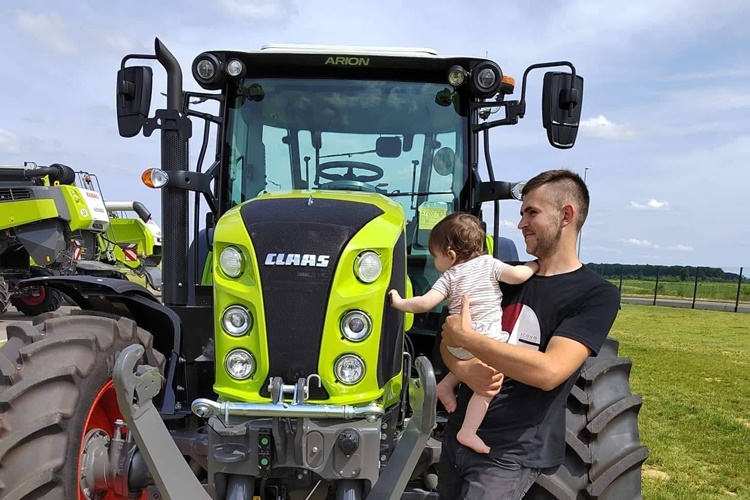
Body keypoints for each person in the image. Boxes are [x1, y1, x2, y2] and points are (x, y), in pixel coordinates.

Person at [436, 169, 621, 500]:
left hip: (507, 456)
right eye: (521, 213)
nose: (520, 224)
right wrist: (462, 369)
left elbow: (549, 371)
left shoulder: (595, 294)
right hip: (456, 439)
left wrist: (468, 340)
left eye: (531, 212)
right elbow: (448, 339)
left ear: (566, 215)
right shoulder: (503, 276)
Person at [388, 212, 538, 454]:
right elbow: (518, 276)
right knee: (488, 385)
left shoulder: (449, 277)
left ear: (450, 256)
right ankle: (468, 430)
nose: (435, 263)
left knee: (471, 363)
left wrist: (399, 302)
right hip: (485, 341)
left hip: (456, 342)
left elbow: (424, 304)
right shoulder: (490, 263)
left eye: (435, 257)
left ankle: (445, 386)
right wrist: (534, 264)